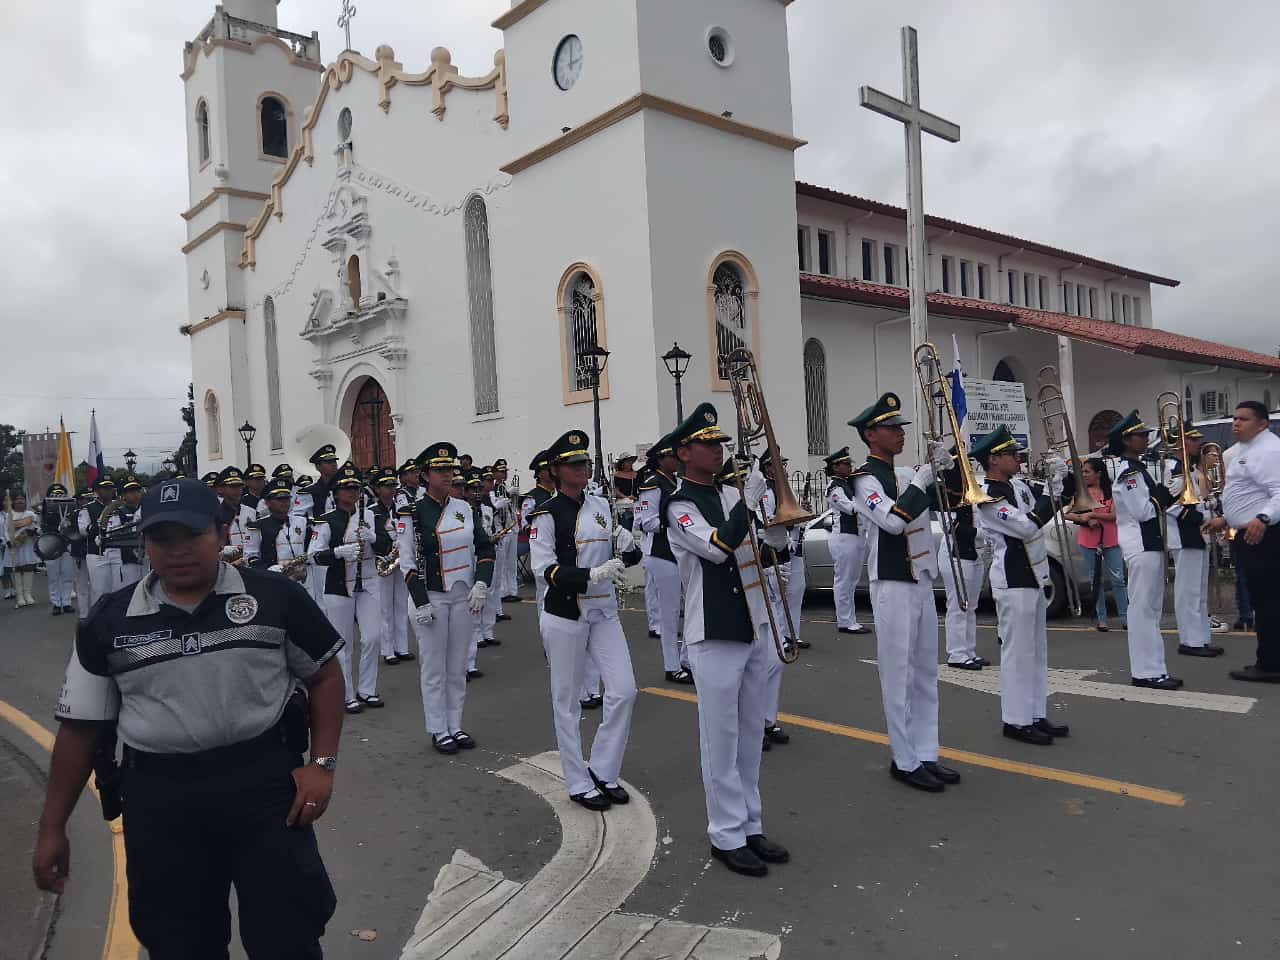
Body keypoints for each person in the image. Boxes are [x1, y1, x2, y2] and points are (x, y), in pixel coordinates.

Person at [33, 477, 344, 959]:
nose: (177, 551)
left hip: (264, 791)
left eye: (191, 535)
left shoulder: (275, 597)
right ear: (145, 544)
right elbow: (79, 729)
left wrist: (321, 765)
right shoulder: (109, 622)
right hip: (162, 803)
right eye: (162, 539)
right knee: (181, 945)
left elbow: (325, 676)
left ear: (222, 533)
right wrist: (52, 827)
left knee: (287, 937)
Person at [665, 404, 792, 877]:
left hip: (753, 621)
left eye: (720, 443)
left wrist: (776, 522)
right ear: (685, 452)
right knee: (720, 740)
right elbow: (717, 548)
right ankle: (725, 833)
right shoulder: (679, 505)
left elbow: (763, 550)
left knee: (750, 737)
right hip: (713, 630)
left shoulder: (729, 494)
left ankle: (750, 825)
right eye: (708, 443)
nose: (718, 450)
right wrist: (748, 501)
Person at [849, 392, 959, 793]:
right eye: (891, 428)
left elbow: (952, 503)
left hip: (921, 577)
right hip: (893, 580)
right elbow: (893, 523)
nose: (900, 434)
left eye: (900, 428)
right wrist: (921, 479)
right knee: (898, 673)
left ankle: (927, 751)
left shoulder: (903, 475)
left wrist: (948, 469)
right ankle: (904, 757)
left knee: (926, 671)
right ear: (870, 434)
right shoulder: (863, 480)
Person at [528, 430, 641, 810]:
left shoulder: (601, 505)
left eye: (587, 462)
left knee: (624, 690)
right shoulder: (545, 514)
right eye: (576, 463)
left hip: (604, 610)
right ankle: (577, 781)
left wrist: (628, 546)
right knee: (567, 701)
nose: (584, 468)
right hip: (565, 613)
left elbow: (626, 558)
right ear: (557, 470)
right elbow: (543, 568)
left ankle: (604, 769)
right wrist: (589, 575)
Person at [971, 427, 1072, 746]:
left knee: (1036, 651)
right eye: (1011, 454)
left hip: (1033, 575)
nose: (1019, 458)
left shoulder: (1017, 485)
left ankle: (1035, 714)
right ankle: (1015, 720)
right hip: (1012, 578)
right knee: (1017, 653)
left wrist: (1062, 478)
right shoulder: (987, 496)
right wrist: (1049, 492)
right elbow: (1027, 527)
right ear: (993, 459)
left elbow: (1054, 503)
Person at [397, 443, 495, 754]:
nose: (447, 475)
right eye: (439, 470)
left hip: (463, 595)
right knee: (434, 666)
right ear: (424, 476)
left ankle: (456, 724)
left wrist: (482, 584)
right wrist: (420, 600)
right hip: (432, 597)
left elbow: (485, 548)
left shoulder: (463, 508)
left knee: (457, 666)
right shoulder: (410, 512)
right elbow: (407, 561)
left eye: (450, 470)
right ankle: (438, 728)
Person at [1203, 401, 1280, 682]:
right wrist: (1226, 519)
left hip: (1264, 534)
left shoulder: (1269, 451)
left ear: (1262, 424)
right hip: (1249, 532)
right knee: (1263, 599)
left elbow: (1279, 492)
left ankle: (1271, 665)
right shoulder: (1249, 450)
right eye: (1234, 418)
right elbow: (1250, 493)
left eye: (1244, 419)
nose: (1236, 423)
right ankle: (1267, 658)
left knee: (1269, 600)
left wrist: (1263, 518)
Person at [1106, 411, 1182, 689]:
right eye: (1140, 435)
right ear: (1127, 440)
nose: (1145, 438)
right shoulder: (1130, 473)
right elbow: (1143, 511)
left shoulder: (1137, 469)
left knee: (1151, 610)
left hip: (1150, 545)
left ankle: (1154, 669)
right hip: (1140, 545)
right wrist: (1166, 492)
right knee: (1142, 611)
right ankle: (1146, 672)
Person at [308, 462, 391, 714]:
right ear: (336, 492)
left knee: (373, 637)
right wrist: (337, 552)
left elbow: (387, 547)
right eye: (348, 488)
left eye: (356, 488)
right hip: (338, 585)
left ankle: (367, 689)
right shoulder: (326, 521)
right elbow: (313, 555)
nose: (353, 492)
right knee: (343, 643)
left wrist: (375, 539)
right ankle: (346, 694)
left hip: (368, 582)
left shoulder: (369, 516)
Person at [1162, 422, 1224, 658]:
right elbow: (1171, 504)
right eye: (1193, 439)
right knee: (1188, 591)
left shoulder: (1187, 467)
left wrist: (1210, 508)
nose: (1199, 443)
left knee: (1198, 592)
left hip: (1197, 533)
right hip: (1185, 534)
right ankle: (1189, 640)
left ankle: (1201, 638)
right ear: (1181, 443)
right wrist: (1201, 518)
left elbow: (1195, 499)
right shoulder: (1174, 467)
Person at [635, 436, 693, 683]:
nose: (677, 460)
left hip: (682, 550)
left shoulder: (676, 481)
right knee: (669, 614)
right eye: (672, 456)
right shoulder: (652, 484)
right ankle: (672, 666)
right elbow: (644, 521)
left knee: (691, 608)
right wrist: (673, 523)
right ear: (661, 459)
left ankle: (688, 659)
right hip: (663, 552)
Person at [754, 450, 793, 749]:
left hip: (768, 578)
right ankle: (752, 724)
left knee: (776, 660)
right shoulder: (737, 509)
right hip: (747, 594)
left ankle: (767, 720)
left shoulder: (767, 498)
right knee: (754, 664)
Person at [936, 451, 988, 669]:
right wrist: (983, 533)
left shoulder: (971, 490)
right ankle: (956, 654)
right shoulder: (946, 492)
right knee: (959, 605)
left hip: (973, 553)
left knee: (971, 606)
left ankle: (969, 651)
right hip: (956, 554)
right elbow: (952, 527)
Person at [1065, 458, 1128, 632]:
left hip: (1110, 540)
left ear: (1098, 474)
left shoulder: (1111, 492)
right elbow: (1067, 513)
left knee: (1118, 579)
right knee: (1095, 580)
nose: (1084, 475)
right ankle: (1101, 619)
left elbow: (1114, 515)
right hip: (1089, 541)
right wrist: (1083, 519)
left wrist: (1094, 515)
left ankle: (1125, 617)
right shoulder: (1082, 493)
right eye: (1083, 472)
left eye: (1087, 471)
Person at [824, 447, 870, 635]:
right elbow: (849, 507)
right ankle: (844, 620)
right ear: (836, 467)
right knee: (844, 581)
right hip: (844, 537)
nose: (849, 466)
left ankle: (850, 619)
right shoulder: (835, 487)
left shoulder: (847, 483)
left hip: (856, 536)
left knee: (852, 581)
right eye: (845, 464)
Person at [251, 477, 310, 581]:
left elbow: (311, 549)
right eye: (279, 499)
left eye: (286, 498)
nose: (284, 502)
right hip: (273, 580)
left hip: (302, 579)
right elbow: (251, 557)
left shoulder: (303, 522)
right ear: (268, 502)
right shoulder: (258, 525)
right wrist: (268, 568)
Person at [78, 477, 119, 606]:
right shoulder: (88, 508)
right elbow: (84, 531)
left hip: (118, 552)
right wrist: (101, 521)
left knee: (118, 590)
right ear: (96, 491)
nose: (108, 491)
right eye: (104, 488)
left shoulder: (119, 506)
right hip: (97, 554)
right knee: (100, 591)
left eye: (110, 488)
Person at [40, 484, 77, 615]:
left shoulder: (71, 508)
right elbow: (43, 525)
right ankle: (56, 603)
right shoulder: (46, 508)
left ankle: (66, 602)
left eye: (60, 494)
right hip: (52, 544)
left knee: (67, 575)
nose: (58, 497)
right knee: (53, 576)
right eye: (55, 495)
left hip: (67, 544)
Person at [215, 467, 260, 566]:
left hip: (250, 564)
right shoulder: (215, 514)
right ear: (221, 489)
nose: (237, 490)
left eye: (239, 486)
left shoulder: (252, 512)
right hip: (226, 565)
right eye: (232, 486)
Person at [492, 459, 521, 605]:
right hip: (501, 528)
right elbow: (492, 508)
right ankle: (503, 592)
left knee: (511, 563)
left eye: (505, 472)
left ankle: (512, 591)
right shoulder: (492, 489)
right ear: (495, 473)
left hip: (511, 526)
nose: (504, 474)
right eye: (501, 472)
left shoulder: (505, 487)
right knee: (502, 564)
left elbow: (513, 506)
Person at [111, 475, 147, 588]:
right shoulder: (118, 512)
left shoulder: (148, 509)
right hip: (129, 558)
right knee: (130, 591)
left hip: (148, 558)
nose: (135, 494)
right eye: (130, 491)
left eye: (137, 490)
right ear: (124, 495)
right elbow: (113, 534)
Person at [7, 492, 39, 608]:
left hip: (27, 545)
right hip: (13, 546)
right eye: (17, 499)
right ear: (13, 502)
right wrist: (10, 541)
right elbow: (4, 530)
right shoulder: (9, 515)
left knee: (28, 567)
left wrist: (32, 532)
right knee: (16, 569)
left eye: (22, 499)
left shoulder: (31, 514)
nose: (20, 501)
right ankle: (19, 596)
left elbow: (37, 528)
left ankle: (28, 594)